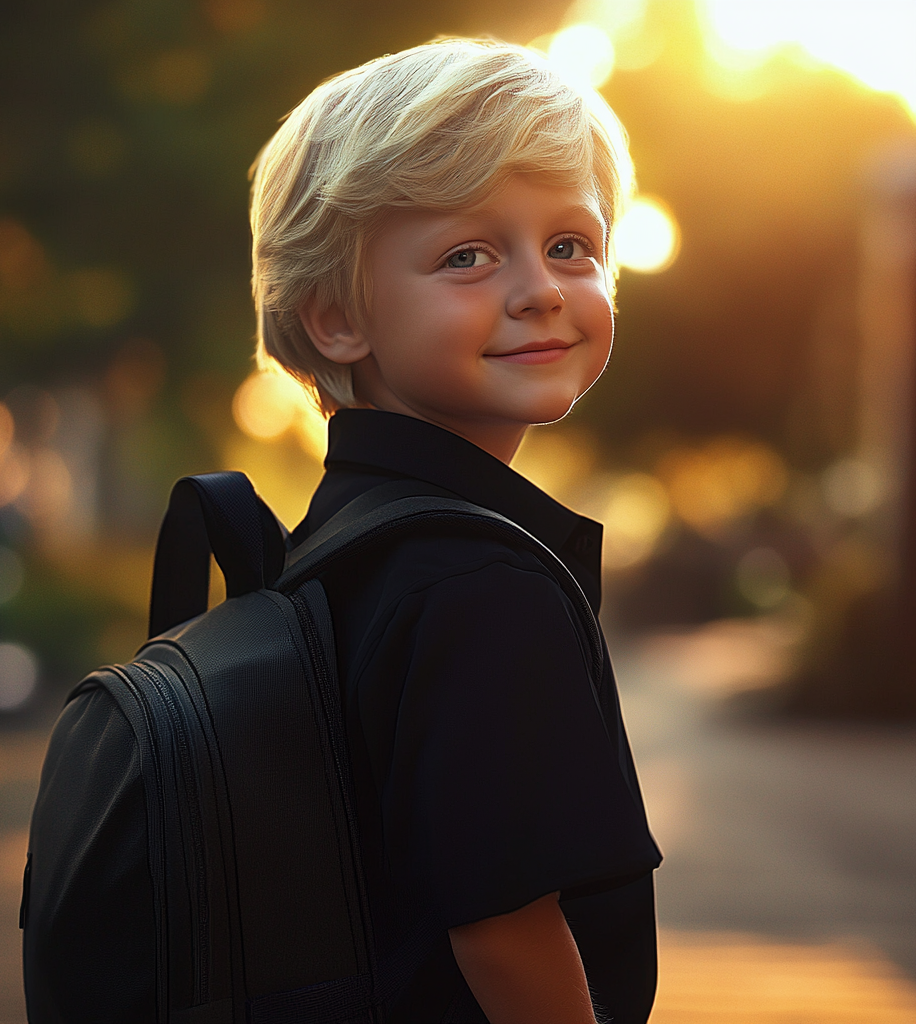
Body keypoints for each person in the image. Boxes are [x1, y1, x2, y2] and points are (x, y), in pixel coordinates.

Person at [251, 37, 662, 1024]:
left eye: (572, 245)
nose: (540, 288)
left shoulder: (345, 540)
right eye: (466, 255)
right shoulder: (476, 582)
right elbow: (504, 927)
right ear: (336, 316)